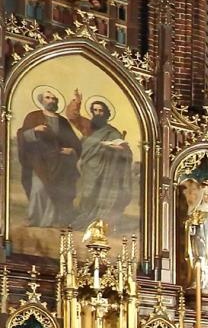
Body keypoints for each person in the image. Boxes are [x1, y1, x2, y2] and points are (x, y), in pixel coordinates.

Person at [67, 94, 136, 232]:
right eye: (95, 110)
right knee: (87, 194)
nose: (97, 113)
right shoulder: (88, 126)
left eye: (101, 110)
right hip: (88, 168)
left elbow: (125, 149)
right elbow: (73, 117)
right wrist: (77, 102)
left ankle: (96, 221)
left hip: (105, 170)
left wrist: (117, 148)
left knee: (98, 194)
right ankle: (85, 217)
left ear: (106, 113)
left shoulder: (112, 132)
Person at [17, 86, 81, 227]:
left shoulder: (63, 121)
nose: (51, 100)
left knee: (57, 190)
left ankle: (51, 221)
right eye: (48, 97)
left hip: (59, 162)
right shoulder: (33, 116)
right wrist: (35, 130)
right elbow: (22, 135)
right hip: (39, 161)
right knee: (39, 189)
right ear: (41, 100)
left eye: (53, 98)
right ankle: (35, 219)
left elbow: (74, 142)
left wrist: (72, 151)